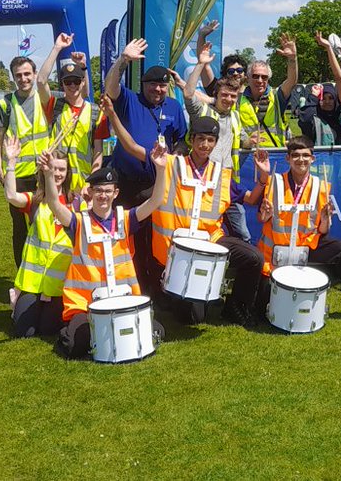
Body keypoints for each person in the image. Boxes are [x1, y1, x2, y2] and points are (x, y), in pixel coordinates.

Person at [118, 110, 267, 327]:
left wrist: (263, 176)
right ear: (192, 140)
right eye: (200, 139)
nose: (205, 144)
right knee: (192, 319)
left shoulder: (222, 175)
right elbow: (132, 149)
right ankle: (166, 291)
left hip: (211, 243)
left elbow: (252, 199)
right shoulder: (170, 165)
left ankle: (235, 307)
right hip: (174, 251)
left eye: (210, 140)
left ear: (215, 143)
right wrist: (114, 114)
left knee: (253, 258)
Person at [44, 156, 169, 359]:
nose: (103, 196)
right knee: (77, 344)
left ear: (116, 193)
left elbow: (155, 200)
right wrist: (49, 175)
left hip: (122, 299)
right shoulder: (79, 221)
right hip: (84, 304)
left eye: (108, 191)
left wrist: (161, 169)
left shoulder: (126, 219)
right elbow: (53, 204)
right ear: (91, 192)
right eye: (99, 190)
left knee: (156, 331)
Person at [245, 136, 341, 319]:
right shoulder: (274, 182)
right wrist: (265, 213)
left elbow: (322, 230)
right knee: (260, 310)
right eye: (295, 155)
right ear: (288, 159)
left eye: (305, 155)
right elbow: (262, 218)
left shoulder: (321, 186)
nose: (300, 160)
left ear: (312, 159)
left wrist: (325, 219)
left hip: (306, 247)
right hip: (276, 252)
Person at [104, 38, 190, 291]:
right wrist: (123, 60)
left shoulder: (174, 107)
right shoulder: (130, 100)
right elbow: (111, 87)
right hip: (125, 183)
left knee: (152, 237)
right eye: (153, 85)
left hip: (155, 185)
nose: (158, 89)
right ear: (143, 86)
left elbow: (182, 140)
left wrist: (175, 155)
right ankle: (124, 280)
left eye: (163, 85)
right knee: (124, 233)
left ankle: (152, 284)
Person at [1, 138, 74, 338]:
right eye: (53, 168)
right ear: (44, 170)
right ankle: (19, 301)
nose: (57, 173)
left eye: (62, 169)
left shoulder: (77, 203)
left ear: (68, 173)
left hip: (59, 285)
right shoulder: (35, 200)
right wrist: (11, 162)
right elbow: (10, 195)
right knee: (25, 332)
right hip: (32, 283)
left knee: (50, 330)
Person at [183, 42, 253, 240]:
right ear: (216, 95)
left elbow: (242, 141)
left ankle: (237, 267)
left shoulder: (235, 117)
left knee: (243, 233)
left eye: (232, 96)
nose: (229, 99)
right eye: (225, 95)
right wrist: (200, 64)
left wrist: (252, 142)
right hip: (202, 179)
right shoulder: (202, 111)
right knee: (202, 229)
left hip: (226, 181)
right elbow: (188, 93)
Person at [0, 55, 53, 268]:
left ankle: (46, 270)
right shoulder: (5, 103)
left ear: (34, 75)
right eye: (19, 75)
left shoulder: (45, 99)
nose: (24, 79)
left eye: (27, 74)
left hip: (45, 173)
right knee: (20, 228)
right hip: (18, 175)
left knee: (47, 222)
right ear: (13, 78)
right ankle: (22, 275)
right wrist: (1, 173)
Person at [36, 32, 100, 195]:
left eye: (76, 81)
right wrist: (57, 47)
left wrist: (91, 183)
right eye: (67, 82)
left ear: (83, 82)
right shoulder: (54, 106)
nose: (72, 85)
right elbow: (41, 81)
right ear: (62, 84)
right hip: (56, 181)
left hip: (83, 185)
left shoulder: (94, 111)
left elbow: (98, 152)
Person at [238, 35, 299, 149]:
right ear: (248, 77)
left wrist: (292, 59)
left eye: (264, 77)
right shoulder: (237, 99)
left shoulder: (276, 96)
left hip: (275, 155)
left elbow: (292, 81)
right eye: (255, 76)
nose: (260, 80)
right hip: (246, 156)